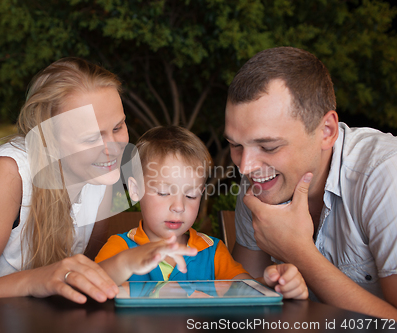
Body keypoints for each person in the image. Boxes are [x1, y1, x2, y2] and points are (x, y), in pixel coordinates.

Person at [0, 57, 170, 304]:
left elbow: (75, 280)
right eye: (91, 138)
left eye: (118, 127)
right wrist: (35, 280)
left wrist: (126, 261)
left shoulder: (101, 178)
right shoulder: (6, 176)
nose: (114, 148)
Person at [225, 46, 397, 318]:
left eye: (268, 147)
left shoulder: (384, 174)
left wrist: (299, 253)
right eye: (235, 145)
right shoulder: (261, 182)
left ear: (326, 131)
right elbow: (243, 308)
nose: (246, 167)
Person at [95, 126, 309, 300]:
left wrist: (272, 284)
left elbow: (242, 289)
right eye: (163, 192)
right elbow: (92, 286)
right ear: (135, 190)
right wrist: (125, 263)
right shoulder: (121, 248)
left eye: (190, 196)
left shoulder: (212, 251)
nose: (178, 206)